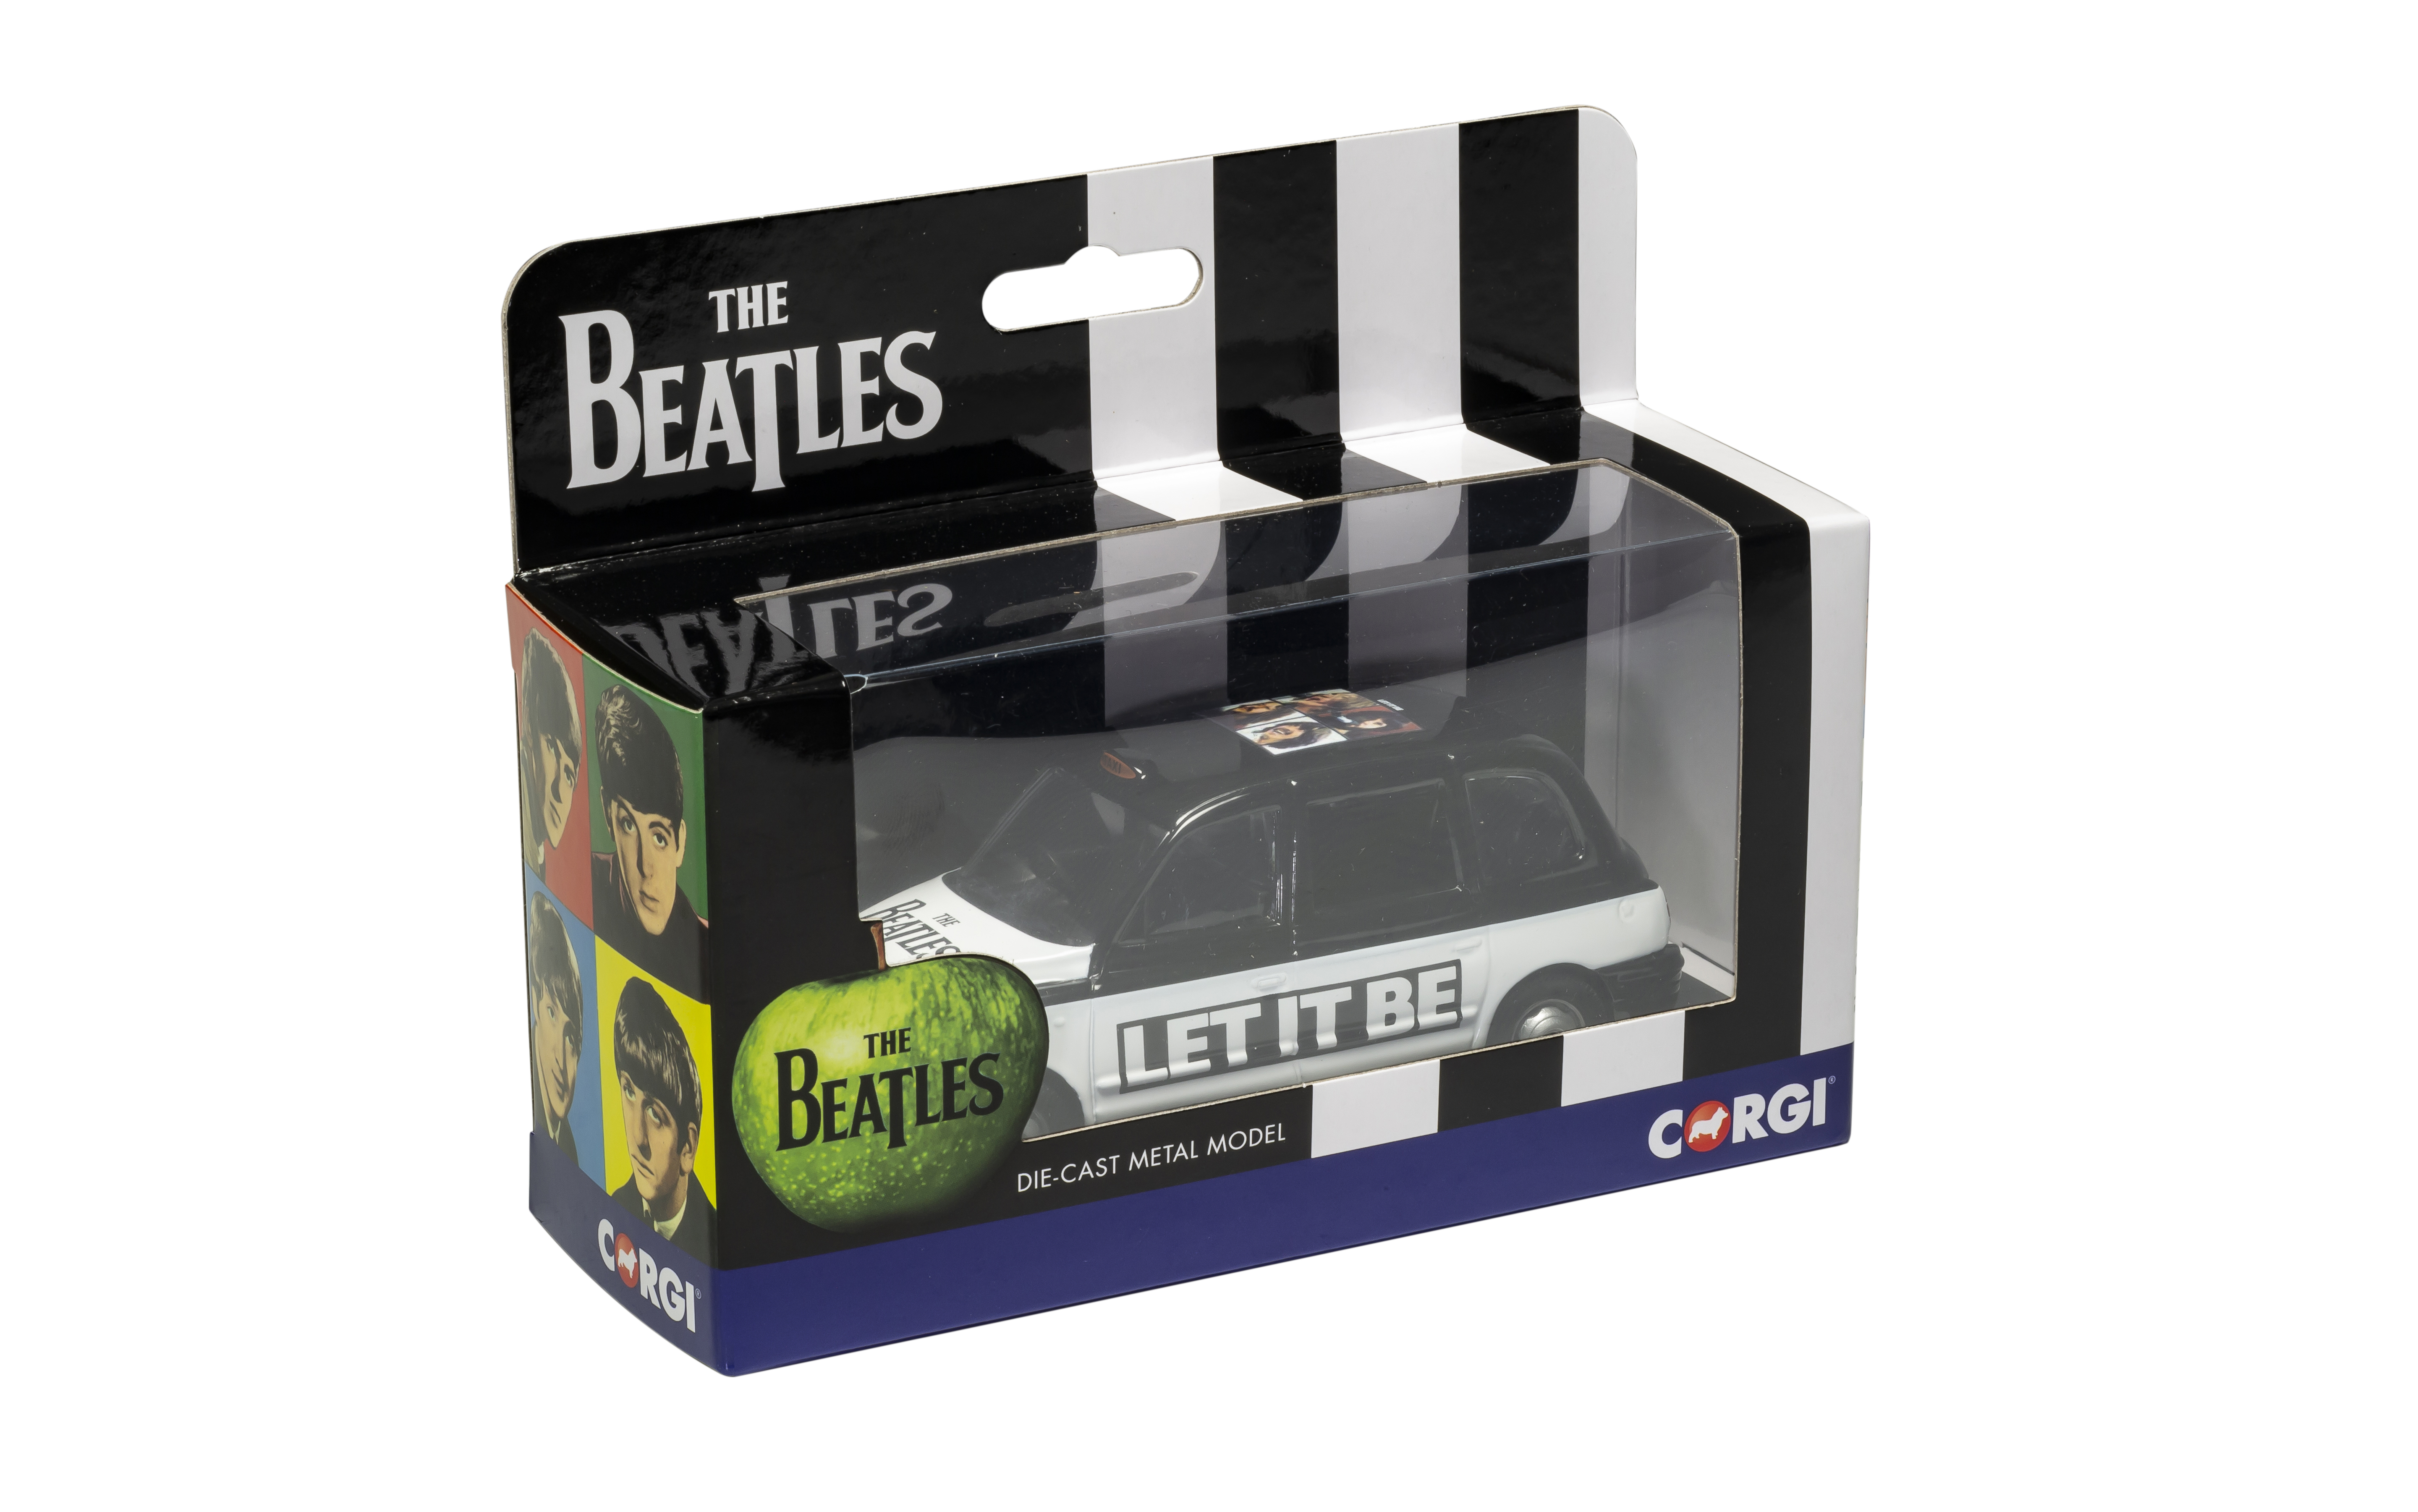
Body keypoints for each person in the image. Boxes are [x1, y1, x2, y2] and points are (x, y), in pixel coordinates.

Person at [590, 683, 707, 997]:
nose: (646, 866)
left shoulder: (707, 949)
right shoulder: (587, 883)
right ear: (608, 815)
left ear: (681, 842)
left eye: (659, 838)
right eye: (629, 825)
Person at [610, 977, 713, 1263]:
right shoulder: (615, 1208)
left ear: (688, 1148)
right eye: (629, 1091)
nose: (638, 1138)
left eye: (656, 1114)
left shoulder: (715, 1243)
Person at [518, 633, 584, 877]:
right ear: (529, 727)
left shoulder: (537, 850)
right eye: (552, 748)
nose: (559, 791)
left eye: (569, 775)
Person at [526, 893, 585, 1164]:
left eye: (571, 1037)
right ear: (535, 1000)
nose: (562, 1061)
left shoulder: (570, 1149)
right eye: (552, 1012)